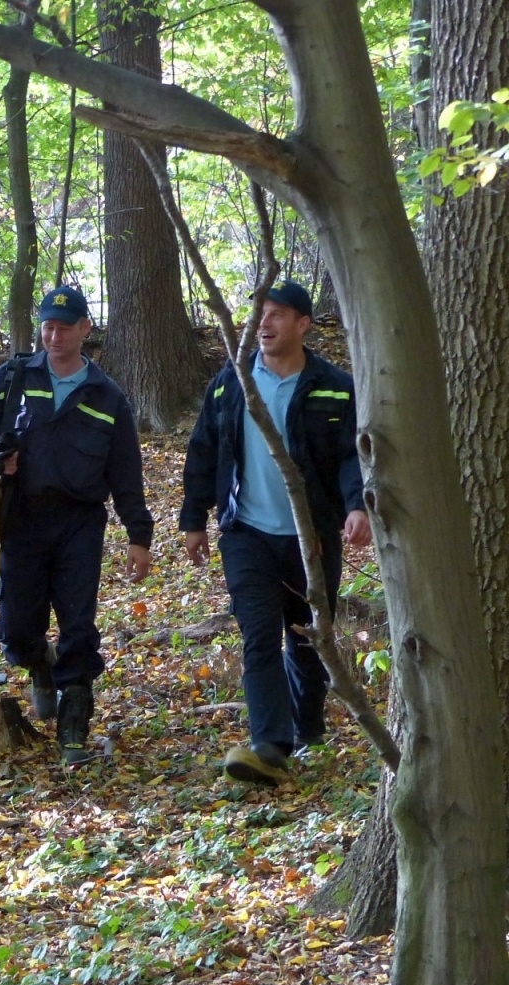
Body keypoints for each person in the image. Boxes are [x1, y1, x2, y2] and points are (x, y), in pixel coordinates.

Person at [179, 280, 371, 785]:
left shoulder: (334, 386)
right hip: (247, 533)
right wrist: (193, 519)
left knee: (307, 638)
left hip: (315, 538)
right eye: (259, 314)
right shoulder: (231, 382)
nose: (263, 324)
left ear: (303, 324)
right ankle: (270, 743)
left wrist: (357, 507)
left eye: (277, 314)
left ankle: (308, 728)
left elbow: (352, 455)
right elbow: (203, 449)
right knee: (259, 634)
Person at [0, 284, 154, 766]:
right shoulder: (12, 377)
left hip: (79, 524)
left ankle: (74, 730)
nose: (54, 336)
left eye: (64, 328)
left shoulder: (107, 396)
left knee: (78, 625)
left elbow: (126, 473)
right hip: (21, 520)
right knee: (15, 628)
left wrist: (139, 535)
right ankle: (39, 668)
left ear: (85, 330)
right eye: (48, 327)